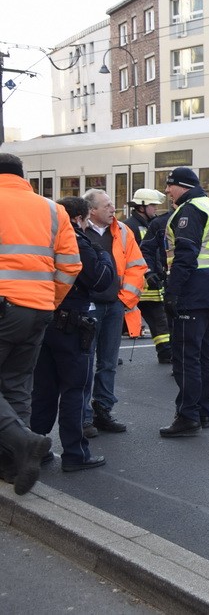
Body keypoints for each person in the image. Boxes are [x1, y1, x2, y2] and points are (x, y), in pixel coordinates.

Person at [0, 153, 81, 495]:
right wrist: (49, 299)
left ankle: (24, 441)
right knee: (16, 385)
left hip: (4, 305)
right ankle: (13, 466)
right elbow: (70, 265)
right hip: (40, 307)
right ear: (23, 176)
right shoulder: (52, 209)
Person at [31, 197, 114, 472]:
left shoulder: (40, 239)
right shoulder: (77, 241)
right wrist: (102, 253)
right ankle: (75, 453)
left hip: (42, 319)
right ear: (79, 218)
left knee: (42, 389)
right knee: (75, 390)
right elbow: (100, 278)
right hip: (72, 323)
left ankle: (37, 447)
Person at [159, 167, 209, 437]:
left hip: (192, 287)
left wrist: (173, 291)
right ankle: (202, 412)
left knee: (186, 356)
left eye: (170, 186)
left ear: (183, 186)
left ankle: (187, 416)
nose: (167, 191)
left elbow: (185, 254)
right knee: (205, 353)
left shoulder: (190, 210)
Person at [82, 188, 146, 437]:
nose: (113, 209)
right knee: (85, 362)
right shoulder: (77, 231)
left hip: (113, 306)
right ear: (92, 210)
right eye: (107, 205)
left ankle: (103, 411)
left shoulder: (122, 231)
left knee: (108, 363)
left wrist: (124, 300)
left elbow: (137, 266)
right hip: (86, 308)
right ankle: (84, 416)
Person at [124, 188, 172, 364]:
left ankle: (166, 352)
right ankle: (166, 352)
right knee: (159, 320)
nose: (155, 209)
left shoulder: (150, 225)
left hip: (150, 282)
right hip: (138, 284)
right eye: (152, 205)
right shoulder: (130, 226)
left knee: (159, 319)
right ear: (142, 207)